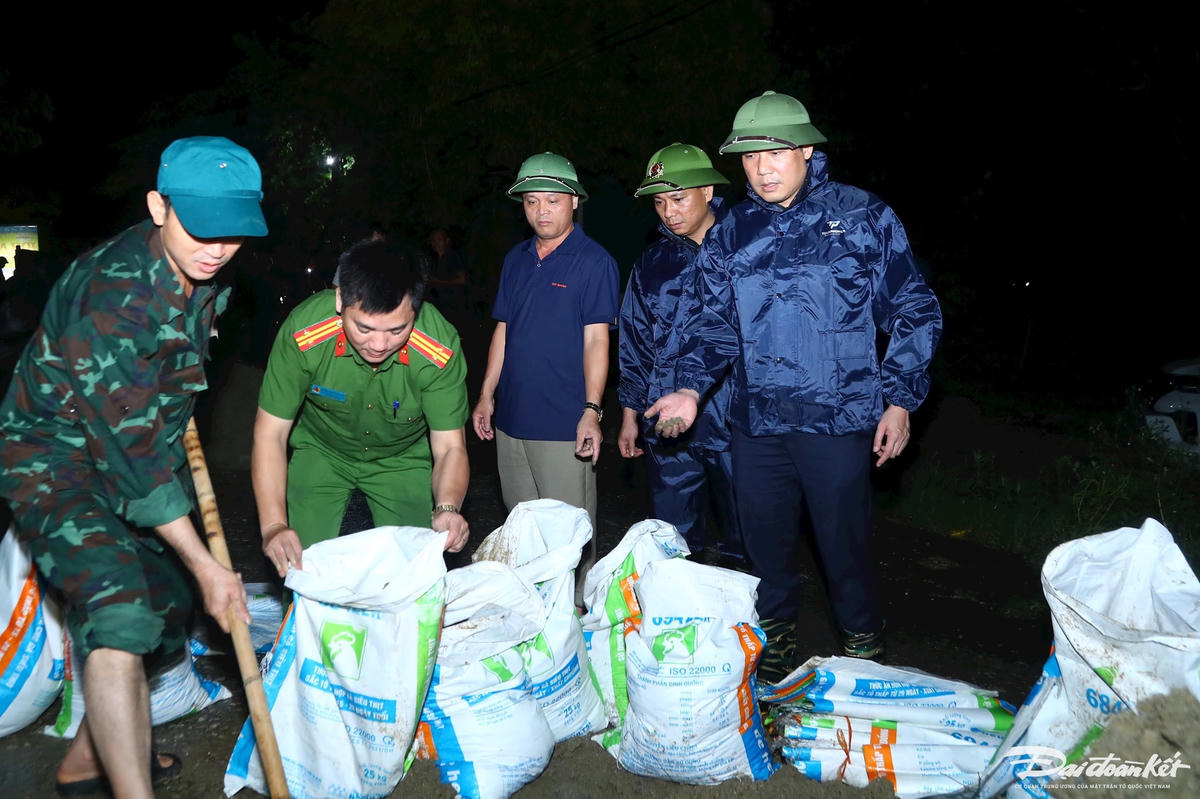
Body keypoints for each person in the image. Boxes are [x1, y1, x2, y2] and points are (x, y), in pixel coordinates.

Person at [0, 136, 265, 797]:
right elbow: (136, 464)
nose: (218, 247)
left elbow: (163, 385)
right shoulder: (113, 299)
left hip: (133, 442)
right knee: (119, 606)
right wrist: (210, 562)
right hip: (54, 457)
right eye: (201, 227)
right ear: (157, 206)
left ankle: (88, 760)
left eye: (234, 232)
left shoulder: (202, 270)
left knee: (167, 600)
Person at [647, 91, 943, 682]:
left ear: (806, 148)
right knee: (763, 551)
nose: (762, 169)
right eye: (750, 158)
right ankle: (777, 647)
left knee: (844, 549)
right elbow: (713, 325)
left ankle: (864, 651)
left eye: (776, 152)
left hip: (837, 421)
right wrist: (689, 389)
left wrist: (901, 398)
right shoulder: (732, 232)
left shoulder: (862, 217)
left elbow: (914, 307)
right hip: (757, 425)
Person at [253, 237, 470, 577]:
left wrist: (447, 507)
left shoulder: (439, 350)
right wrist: (273, 526)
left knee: (412, 574)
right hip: (321, 451)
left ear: (416, 308)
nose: (380, 344)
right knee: (301, 568)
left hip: (401, 459)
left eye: (398, 329)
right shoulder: (304, 334)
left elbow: (450, 446)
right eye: (364, 328)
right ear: (340, 299)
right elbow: (270, 434)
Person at [471, 152, 619, 557]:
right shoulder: (515, 260)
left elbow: (596, 342)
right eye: (532, 201)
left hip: (562, 425)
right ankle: (531, 616)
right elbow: (503, 329)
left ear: (574, 201)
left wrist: (592, 409)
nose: (542, 211)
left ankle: (572, 611)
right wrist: (486, 394)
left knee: (567, 536)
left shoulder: (594, 262)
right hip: (511, 422)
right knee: (522, 531)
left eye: (553, 200)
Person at [617, 142, 745, 566]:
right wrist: (631, 415)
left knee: (745, 532)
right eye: (659, 202)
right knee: (672, 539)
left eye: (678, 197)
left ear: (707, 191)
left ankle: (746, 624)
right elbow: (634, 340)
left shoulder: (747, 244)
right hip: (667, 419)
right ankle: (681, 621)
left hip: (737, 416)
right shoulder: (651, 262)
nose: (668, 211)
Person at [426, 227, 468, 313]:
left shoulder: (453, 256)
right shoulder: (434, 259)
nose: (436, 243)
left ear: (447, 241)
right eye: (433, 240)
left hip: (454, 304)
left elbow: (462, 280)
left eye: (439, 240)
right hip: (440, 303)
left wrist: (439, 282)